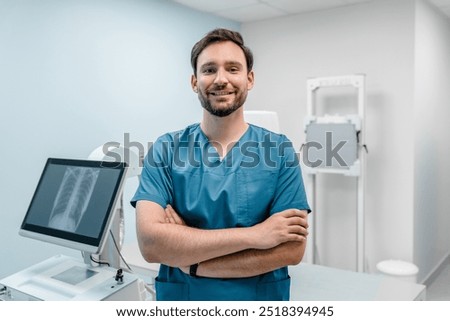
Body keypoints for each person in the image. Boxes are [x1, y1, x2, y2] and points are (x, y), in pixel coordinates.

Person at [131, 28, 310, 301]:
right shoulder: (166, 150)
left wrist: (192, 261)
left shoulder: (279, 151)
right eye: (209, 70)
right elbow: (151, 243)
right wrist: (257, 235)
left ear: (249, 79)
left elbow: (291, 250)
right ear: (194, 82)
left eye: (233, 69)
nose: (221, 79)